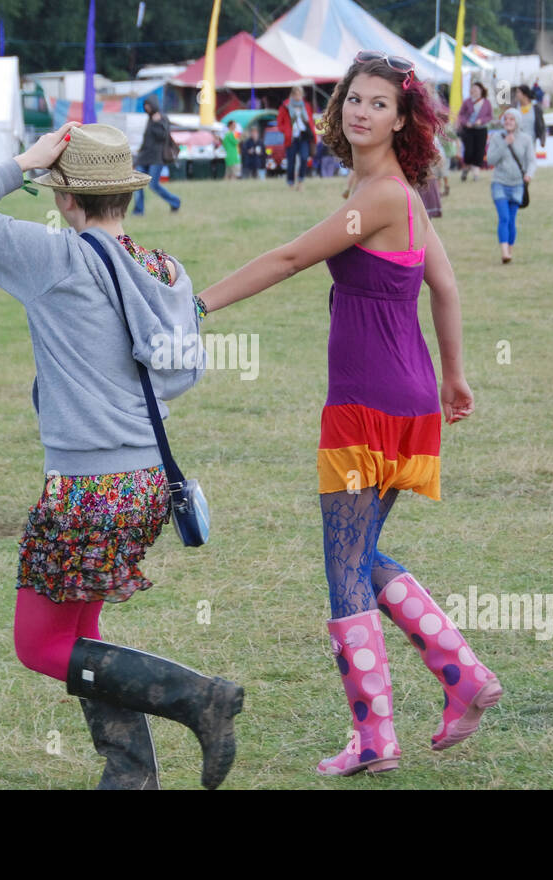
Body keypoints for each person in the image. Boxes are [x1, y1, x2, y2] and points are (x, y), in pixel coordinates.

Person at [194, 51, 499, 777]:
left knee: (343, 567)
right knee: (359, 555)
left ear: (402, 119)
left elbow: (292, 258)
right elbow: (446, 286)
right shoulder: (389, 190)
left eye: (377, 104)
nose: (360, 112)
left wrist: (196, 303)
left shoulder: (387, 195)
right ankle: (461, 677)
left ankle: (376, 737)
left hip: (369, 404)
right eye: (352, 100)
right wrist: (452, 378)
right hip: (406, 395)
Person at [0, 122, 244, 790]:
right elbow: (185, 372)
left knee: (39, 645)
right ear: (125, 194)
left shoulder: (56, 258)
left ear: (66, 198)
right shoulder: (164, 268)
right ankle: (129, 774)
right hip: (147, 485)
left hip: (86, 489)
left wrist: (25, 161)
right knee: (84, 631)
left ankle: (201, 698)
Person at [487, 109, 535, 264]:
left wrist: (529, 174)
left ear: (518, 122)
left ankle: (509, 251)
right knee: (504, 217)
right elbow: (490, 160)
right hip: (499, 183)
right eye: (506, 119)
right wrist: (504, 144)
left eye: (512, 119)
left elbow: (532, 161)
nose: (508, 121)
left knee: (512, 219)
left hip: (517, 185)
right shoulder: (496, 137)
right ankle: (504, 252)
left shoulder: (526, 139)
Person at [131, 95, 181, 215]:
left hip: (157, 158)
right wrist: (137, 157)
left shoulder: (162, 118)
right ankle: (138, 210)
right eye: (145, 106)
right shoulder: (149, 119)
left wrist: (157, 122)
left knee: (153, 185)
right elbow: (146, 139)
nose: (147, 108)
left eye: (148, 105)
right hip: (144, 157)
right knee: (138, 185)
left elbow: (162, 137)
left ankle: (175, 202)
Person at [277, 85, 316, 189]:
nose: (298, 96)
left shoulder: (306, 106)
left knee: (304, 158)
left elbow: (310, 121)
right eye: (296, 94)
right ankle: (290, 183)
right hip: (291, 138)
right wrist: (286, 131)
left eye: (300, 94)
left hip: (304, 136)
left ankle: (301, 181)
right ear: (292, 95)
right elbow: (279, 124)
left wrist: (313, 133)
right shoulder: (285, 106)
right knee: (291, 162)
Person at [456, 81, 492, 181]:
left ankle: (476, 173)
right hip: (468, 130)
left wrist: (481, 121)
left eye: (476, 89)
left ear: (481, 90)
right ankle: (466, 168)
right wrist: (466, 122)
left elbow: (489, 116)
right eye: (473, 89)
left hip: (481, 130)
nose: (474, 91)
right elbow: (461, 115)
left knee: (479, 151)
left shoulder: (486, 102)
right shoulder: (467, 102)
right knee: (469, 151)